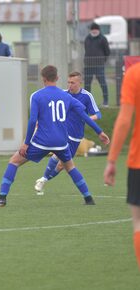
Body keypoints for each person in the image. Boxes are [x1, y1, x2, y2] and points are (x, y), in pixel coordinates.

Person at [0, 65, 109, 207]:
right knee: (70, 167)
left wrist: (26, 143)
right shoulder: (66, 96)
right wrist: (100, 132)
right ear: (57, 78)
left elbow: (33, 121)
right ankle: (88, 198)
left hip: (42, 141)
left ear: (43, 79)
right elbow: (84, 115)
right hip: (61, 142)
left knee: (14, 161)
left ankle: (2, 198)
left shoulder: (36, 96)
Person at [34, 71, 102, 194]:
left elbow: (98, 114)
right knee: (58, 158)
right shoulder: (63, 94)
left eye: (73, 83)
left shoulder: (86, 96)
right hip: (62, 133)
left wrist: (87, 118)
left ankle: (43, 180)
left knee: (61, 165)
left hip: (75, 137)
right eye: (69, 82)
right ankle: (43, 180)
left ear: (80, 83)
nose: (70, 85)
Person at [104, 62, 140, 268]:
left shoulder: (135, 74)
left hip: (138, 162)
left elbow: (125, 120)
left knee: (138, 223)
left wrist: (111, 160)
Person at [84, 22, 110, 107]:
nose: (94, 31)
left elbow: (107, 52)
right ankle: (88, 102)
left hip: (99, 65)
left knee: (103, 83)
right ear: (90, 30)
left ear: (98, 30)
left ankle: (105, 102)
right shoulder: (87, 38)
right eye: (92, 29)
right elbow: (86, 49)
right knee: (87, 85)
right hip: (88, 65)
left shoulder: (103, 39)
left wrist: (102, 61)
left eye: (96, 29)